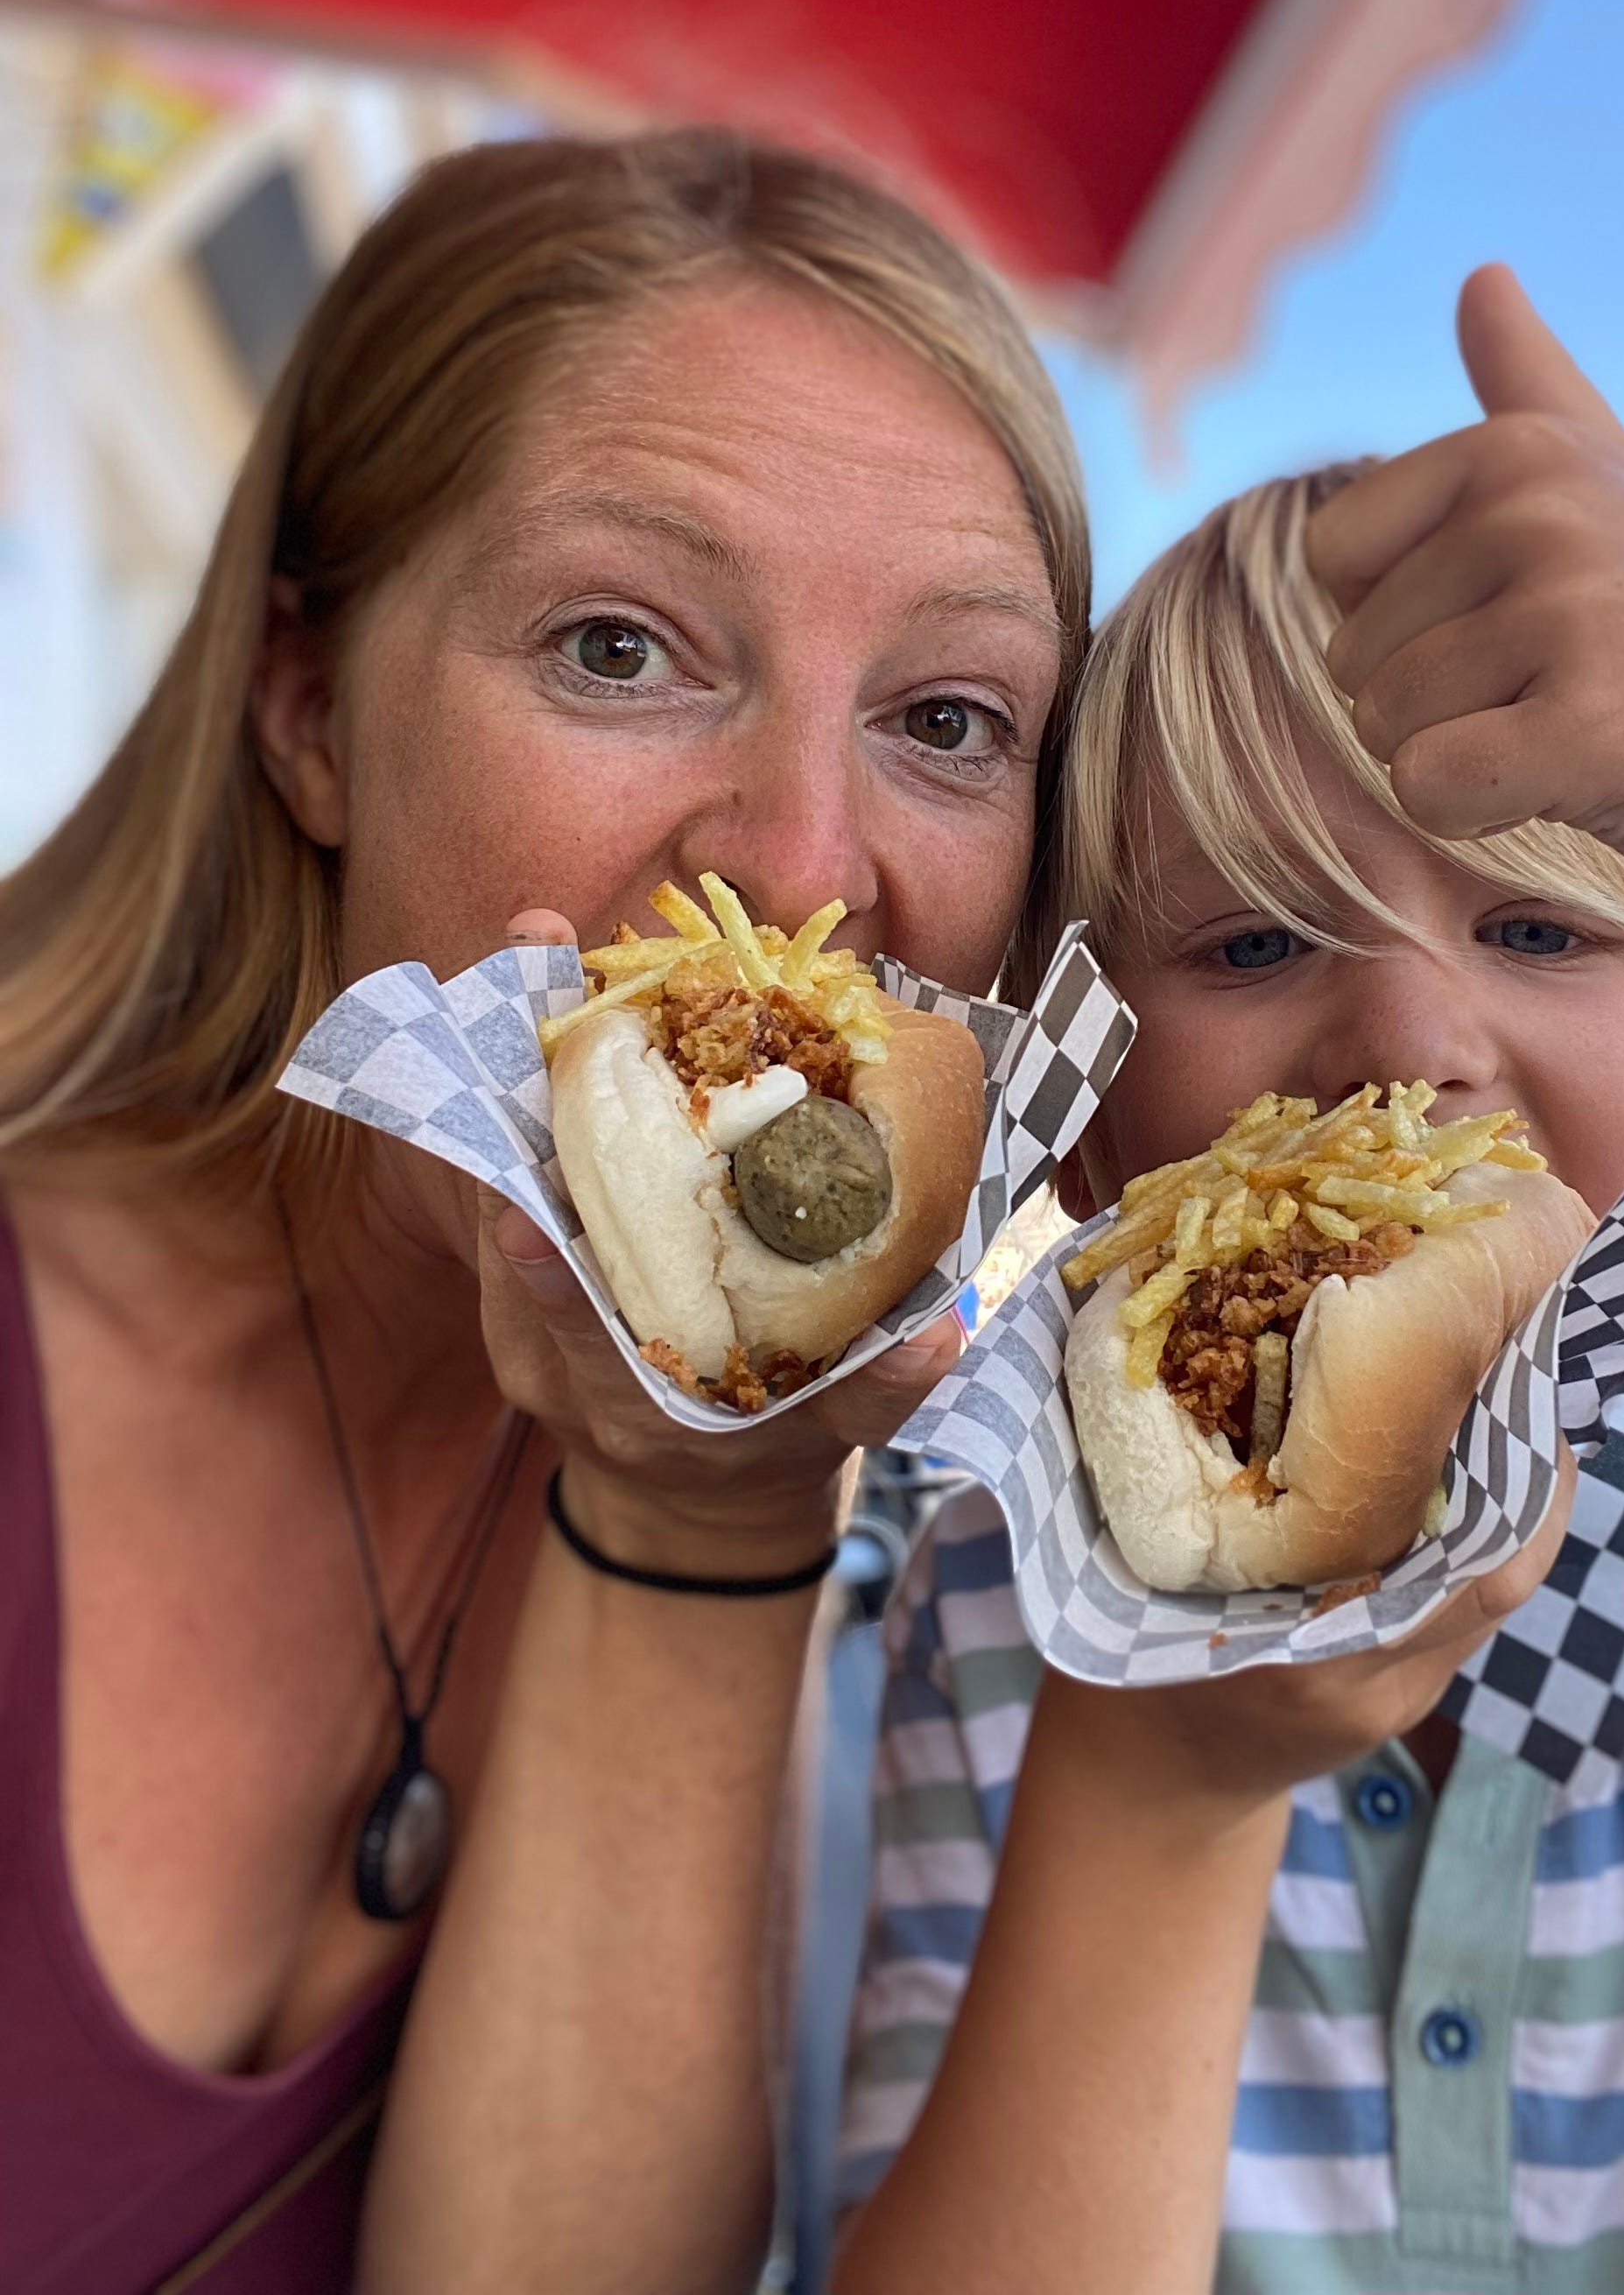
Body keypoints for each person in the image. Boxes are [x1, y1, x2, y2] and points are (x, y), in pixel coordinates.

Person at [832, 268, 1624, 2295]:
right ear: (1099, 1134)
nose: (1406, 1034)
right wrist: (1167, 1766)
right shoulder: (983, 1603)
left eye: (1547, 929)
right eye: (1250, 941)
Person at [0, 129, 1089, 2292]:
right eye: (619, 645)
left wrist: (707, 1516)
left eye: (947, 718)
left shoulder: (916, 1581)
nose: (798, 865)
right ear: (307, 711)